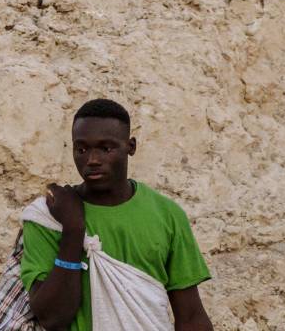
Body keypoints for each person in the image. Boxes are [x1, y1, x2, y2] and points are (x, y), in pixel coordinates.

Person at [20, 98, 214, 331]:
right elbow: (53, 318)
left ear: (130, 146)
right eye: (81, 149)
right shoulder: (49, 216)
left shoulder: (167, 215)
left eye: (106, 148)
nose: (92, 160)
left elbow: (191, 317)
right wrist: (73, 230)